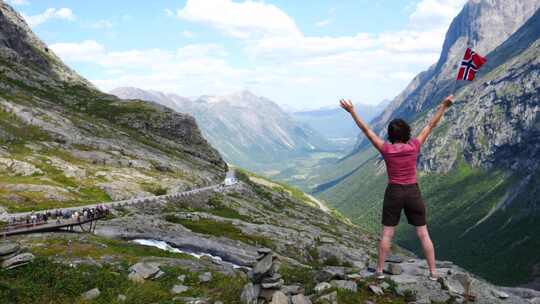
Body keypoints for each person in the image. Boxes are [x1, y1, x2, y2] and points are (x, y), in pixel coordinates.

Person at [340, 95, 454, 281]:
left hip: (393, 191)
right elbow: (430, 125)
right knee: (423, 233)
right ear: (407, 133)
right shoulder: (414, 146)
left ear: (391, 135)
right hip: (412, 191)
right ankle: (433, 272)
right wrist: (444, 106)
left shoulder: (386, 149)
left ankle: (379, 270)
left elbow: (367, 130)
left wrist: (352, 111)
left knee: (387, 233)